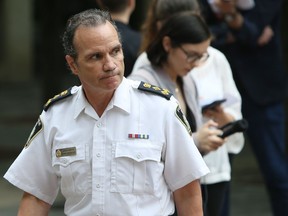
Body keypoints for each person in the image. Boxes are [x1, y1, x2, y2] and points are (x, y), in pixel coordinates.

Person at [3, 9, 209, 215]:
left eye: (115, 51)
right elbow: (36, 196)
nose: (110, 65)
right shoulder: (55, 116)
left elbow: (187, 191)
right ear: (73, 64)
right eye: (96, 56)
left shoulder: (160, 108)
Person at [130, 0, 244, 215]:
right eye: (191, 55)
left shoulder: (185, 77)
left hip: (196, 184)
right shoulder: (143, 79)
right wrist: (196, 142)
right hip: (163, 195)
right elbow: (143, 147)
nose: (196, 63)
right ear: (167, 44)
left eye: (202, 56)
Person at [198, 0, 288, 215]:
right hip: (216, 94)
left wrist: (232, 19)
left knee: (276, 172)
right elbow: (198, 32)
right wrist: (238, 27)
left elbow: (254, 32)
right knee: (218, 174)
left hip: (261, 91)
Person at [96, 0, 141, 77]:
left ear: (99, 2)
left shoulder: (90, 41)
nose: (110, 66)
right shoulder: (141, 42)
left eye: (116, 51)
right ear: (131, 2)